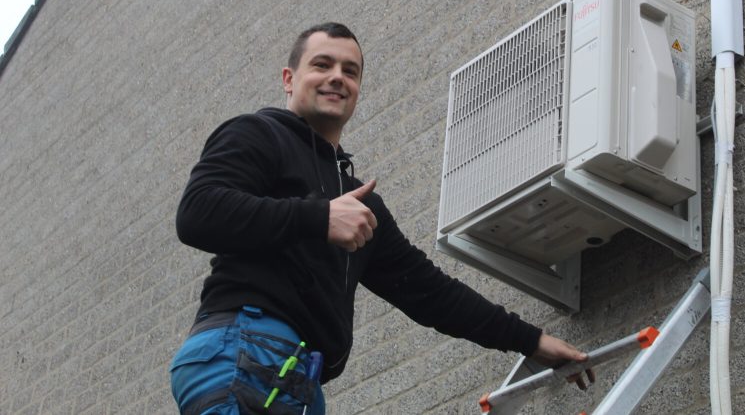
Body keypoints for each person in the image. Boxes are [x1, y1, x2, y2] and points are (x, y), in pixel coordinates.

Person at [170, 22, 592, 414]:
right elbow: (198, 212)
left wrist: (530, 340)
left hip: (295, 376)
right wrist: (319, 218)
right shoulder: (259, 134)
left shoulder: (359, 206)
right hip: (246, 351)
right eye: (322, 65)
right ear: (288, 79)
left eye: (350, 71)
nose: (338, 76)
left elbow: (428, 292)